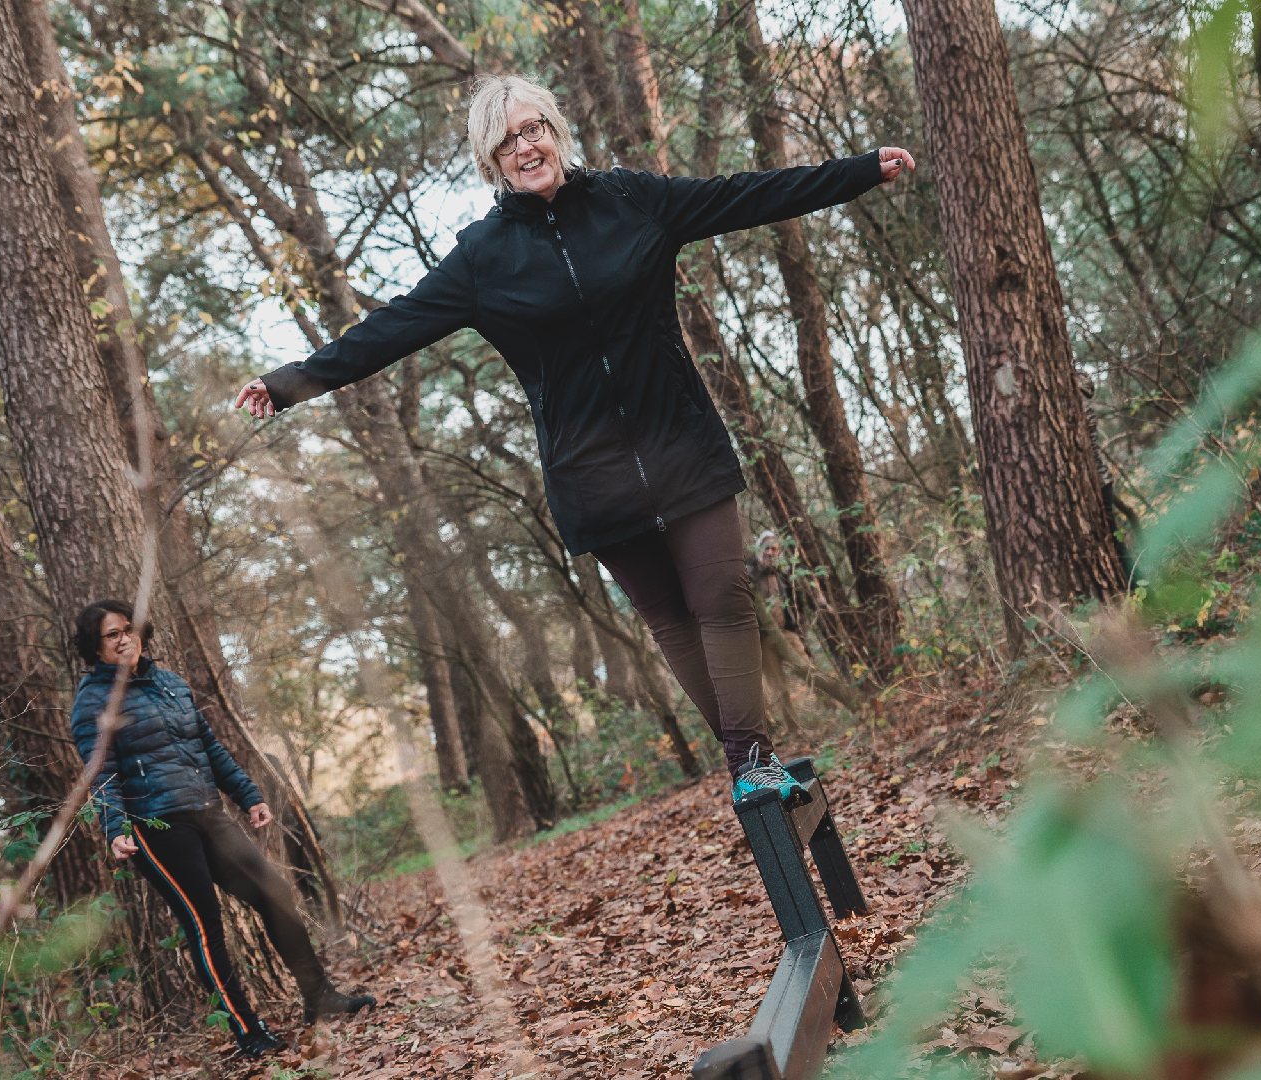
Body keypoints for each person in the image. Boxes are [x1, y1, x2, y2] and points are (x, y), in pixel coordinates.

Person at [235, 74, 914, 802]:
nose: (526, 146)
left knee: (723, 593)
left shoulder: (633, 200)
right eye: (507, 141)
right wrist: (287, 383)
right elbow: (390, 328)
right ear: (491, 162)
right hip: (592, 473)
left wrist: (859, 171)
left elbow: (745, 194)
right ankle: (750, 760)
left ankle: (751, 761)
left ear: (556, 131)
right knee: (668, 618)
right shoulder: (481, 259)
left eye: (534, 130)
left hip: (679, 439)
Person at [69, 599, 375, 1058]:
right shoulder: (93, 700)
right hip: (157, 827)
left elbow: (209, 746)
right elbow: (101, 772)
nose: (124, 638)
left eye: (128, 629)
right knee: (205, 926)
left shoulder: (169, 683)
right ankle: (248, 1032)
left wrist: (248, 795)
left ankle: (320, 996)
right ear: (95, 647)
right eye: (112, 634)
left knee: (275, 892)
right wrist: (114, 828)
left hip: (209, 812)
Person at [746, 531, 808, 737]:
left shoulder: (785, 573)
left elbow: (798, 604)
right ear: (759, 550)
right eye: (766, 548)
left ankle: (836, 711)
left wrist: (799, 628)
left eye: (774, 548)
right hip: (764, 642)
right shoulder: (749, 576)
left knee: (809, 670)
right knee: (779, 689)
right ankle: (796, 731)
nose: (770, 552)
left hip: (788, 634)